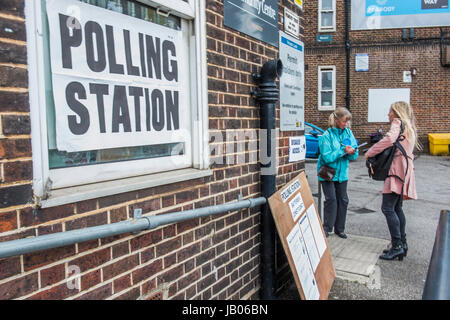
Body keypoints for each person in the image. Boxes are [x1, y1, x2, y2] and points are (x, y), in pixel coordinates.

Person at [365, 101, 420, 261]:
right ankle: (402, 243)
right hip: (405, 170)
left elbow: (389, 140)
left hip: (396, 170)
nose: (388, 115)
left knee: (388, 207)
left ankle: (397, 246)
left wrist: (370, 152)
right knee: (397, 207)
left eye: (390, 112)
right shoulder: (409, 127)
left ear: (397, 113)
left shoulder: (398, 123)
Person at [317, 107, 358, 239]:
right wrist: (343, 150)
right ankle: (326, 228)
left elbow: (354, 155)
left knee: (343, 200)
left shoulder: (348, 133)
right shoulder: (326, 136)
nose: (346, 124)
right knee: (331, 200)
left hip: (342, 175)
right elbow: (328, 157)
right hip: (328, 174)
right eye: (344, 121)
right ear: (336, 120)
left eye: (347, 122)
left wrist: (352, 152)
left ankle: (339, 229)